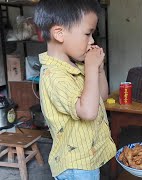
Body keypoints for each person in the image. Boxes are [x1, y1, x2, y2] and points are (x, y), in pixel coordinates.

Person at [34, 0, 116, 179]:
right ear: (59, 33)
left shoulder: (76, 65)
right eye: (88, 34)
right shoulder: (54, 75)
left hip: (87, 159)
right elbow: (87, 112)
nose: (92, 41)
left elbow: (100, 98)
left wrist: (98, 70)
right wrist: (91, 68)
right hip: (76, 166)